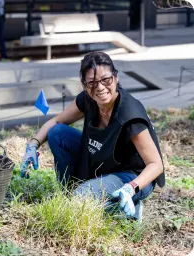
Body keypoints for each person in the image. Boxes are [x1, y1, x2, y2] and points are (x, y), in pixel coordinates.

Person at [20, 51, 165, 222]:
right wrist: (32, 145)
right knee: (57, 133)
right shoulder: (88, 100)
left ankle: (128, 208)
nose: (100, 88)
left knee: (81, 201)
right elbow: (56, 122)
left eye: (106, 80)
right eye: (92, 83)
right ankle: (70, 193)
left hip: (133, 176)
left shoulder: (129, 115)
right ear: (85, 86)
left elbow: (156, 165)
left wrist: (130, 188)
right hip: (104, 163)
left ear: (116, 78)